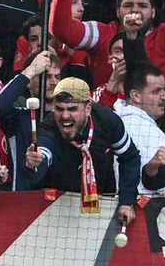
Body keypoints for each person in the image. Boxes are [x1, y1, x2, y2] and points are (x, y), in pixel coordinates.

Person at [24, 77, 140, 223]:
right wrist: (33, 165)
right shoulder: (48, 128)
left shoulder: (107, 120)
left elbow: (131, 158)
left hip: (102, 209)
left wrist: (127, 201)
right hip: (55, 214)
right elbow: (43, 155)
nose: (65, 116)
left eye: (72, 109)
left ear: (88, 108)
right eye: (59, 109)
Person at [116, 64, 165, 195]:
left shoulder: (119, 123)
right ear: (135, 96)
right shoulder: (143, 129)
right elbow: (164, 186)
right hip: (145, 209)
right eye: (156, 91)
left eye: (164, 90)